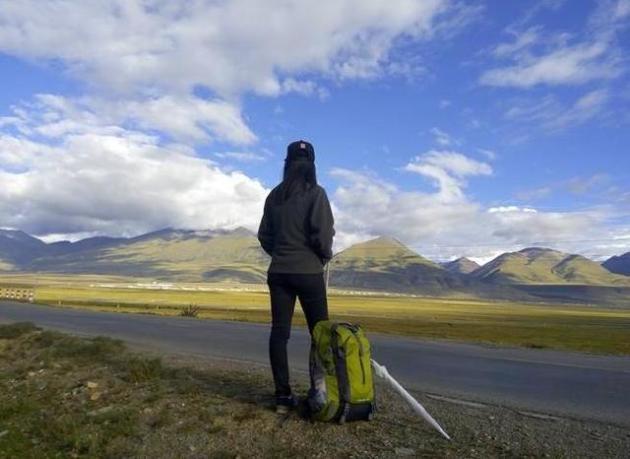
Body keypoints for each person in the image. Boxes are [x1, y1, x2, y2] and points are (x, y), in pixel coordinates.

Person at [257, 140, 335, 414]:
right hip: (309, 273)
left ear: (287, 164)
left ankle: (282, 396)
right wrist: (323, 256)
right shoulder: (316, 194)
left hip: (278, 272)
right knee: (321, 334)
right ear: (312, 164)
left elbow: (264, 236)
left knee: (279, 333)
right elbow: (323, 235)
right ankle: (319, 393)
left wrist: (279, 253)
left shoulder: (274, 196)